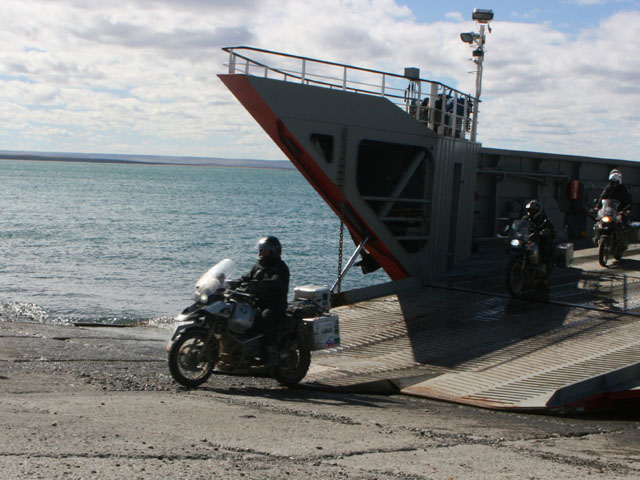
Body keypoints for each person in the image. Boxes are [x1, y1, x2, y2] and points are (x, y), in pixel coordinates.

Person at [233, 236, 290, 366]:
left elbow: (276, 282)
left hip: (274, 305)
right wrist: (234, 282)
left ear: (272, 251)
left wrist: (261, 284)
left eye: (263, 249)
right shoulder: (259, 265)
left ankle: (272, 352)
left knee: (265, 318)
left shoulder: (280, 267)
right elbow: (247, 277)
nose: (260, 251)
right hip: (257, 302)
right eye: (260, 249)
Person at [523, 200, 556, 273]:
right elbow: (520, 225)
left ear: (538, 210)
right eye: (530, 210)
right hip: (528, 239)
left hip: (539, 239)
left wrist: (542, 232)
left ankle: (544, 266)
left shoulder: (544, 219)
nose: (531, 212)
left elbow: (550, 229)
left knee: (544, 248)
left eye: (533, 210)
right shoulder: (526, 218)